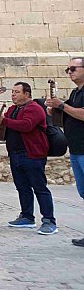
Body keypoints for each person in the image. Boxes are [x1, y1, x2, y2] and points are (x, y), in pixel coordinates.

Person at [0, 82, 57, 235]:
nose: (13, 94)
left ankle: (49, 220)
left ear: (26, 94)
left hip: (32, 153)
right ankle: (27, 216)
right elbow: (5, 124)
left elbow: (26, 125)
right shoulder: (13, 109)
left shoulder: (34, 108)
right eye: (13, 92)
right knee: (22, 187)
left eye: (17, 92)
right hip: (15, 153)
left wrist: (4, 121)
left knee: (39, 187)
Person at [46, 57, 84, 246]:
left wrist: (62, 106)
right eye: (67, 69)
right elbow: (66, 115)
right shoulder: (76, 92)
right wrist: (55, 110)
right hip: (76, 149)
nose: (69, 72)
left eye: (73, 68)